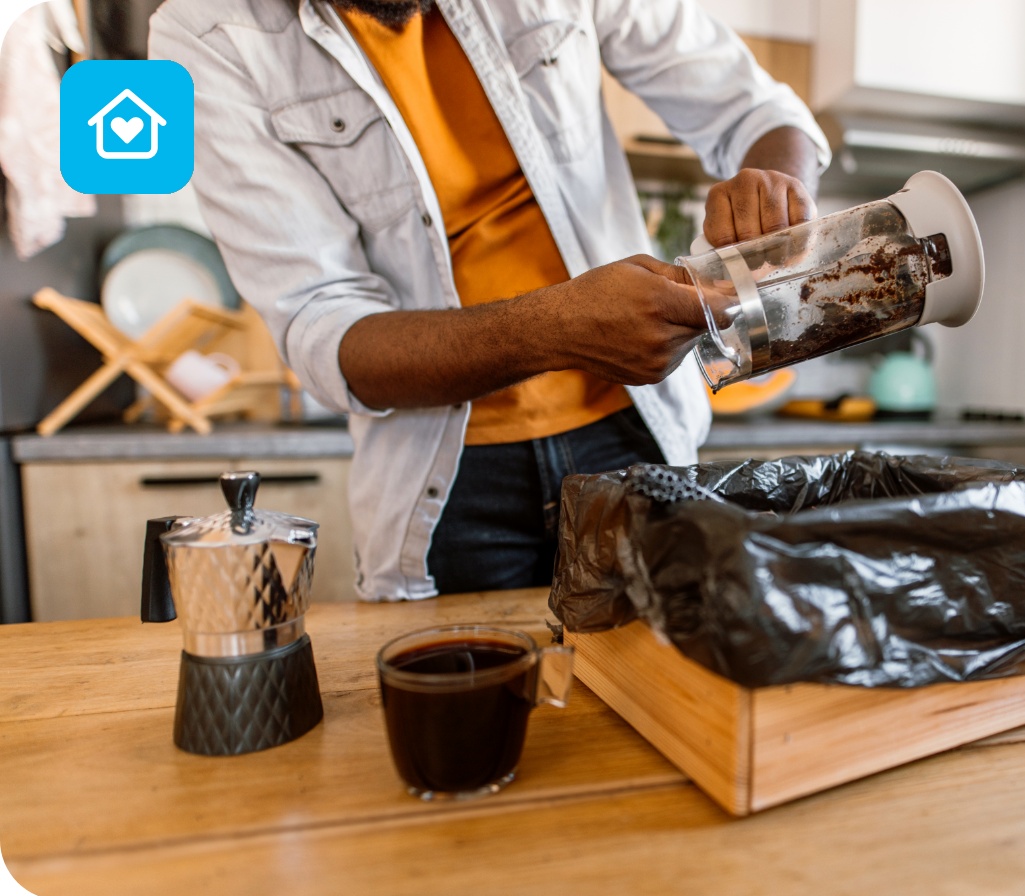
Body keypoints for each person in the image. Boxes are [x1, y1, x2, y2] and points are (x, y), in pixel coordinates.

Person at [149, 0, 830, 599]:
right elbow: (327, 335)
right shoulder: (206, 34)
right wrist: (555, 330)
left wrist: (776, 184)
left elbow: (757, 110)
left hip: (639, 439)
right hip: (447, 492)